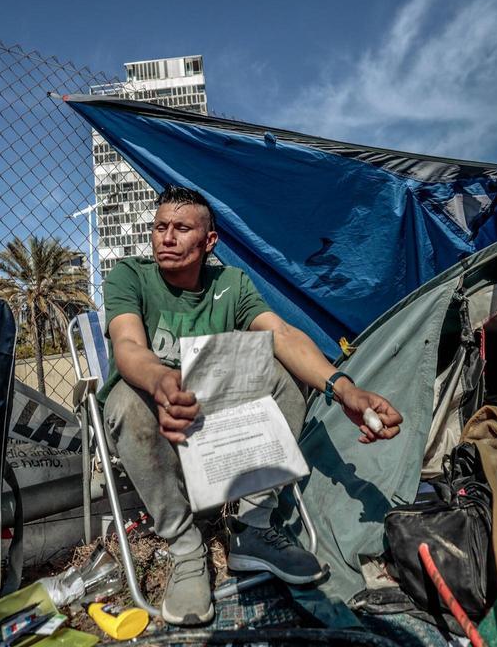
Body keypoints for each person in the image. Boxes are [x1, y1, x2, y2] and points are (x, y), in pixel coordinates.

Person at [101, 185, 402, 626]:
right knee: (127, 401)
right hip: (154, 406)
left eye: (181, 228)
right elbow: (128, 345)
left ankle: (252, 527)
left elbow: (280, 333)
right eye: (160, 227)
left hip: (214, 413)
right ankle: (186, 548)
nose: (166, 237)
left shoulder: (231, 283)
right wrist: (162, 379)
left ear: (209, 242)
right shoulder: (131, 274)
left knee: (284, 373)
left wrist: (344, 389)